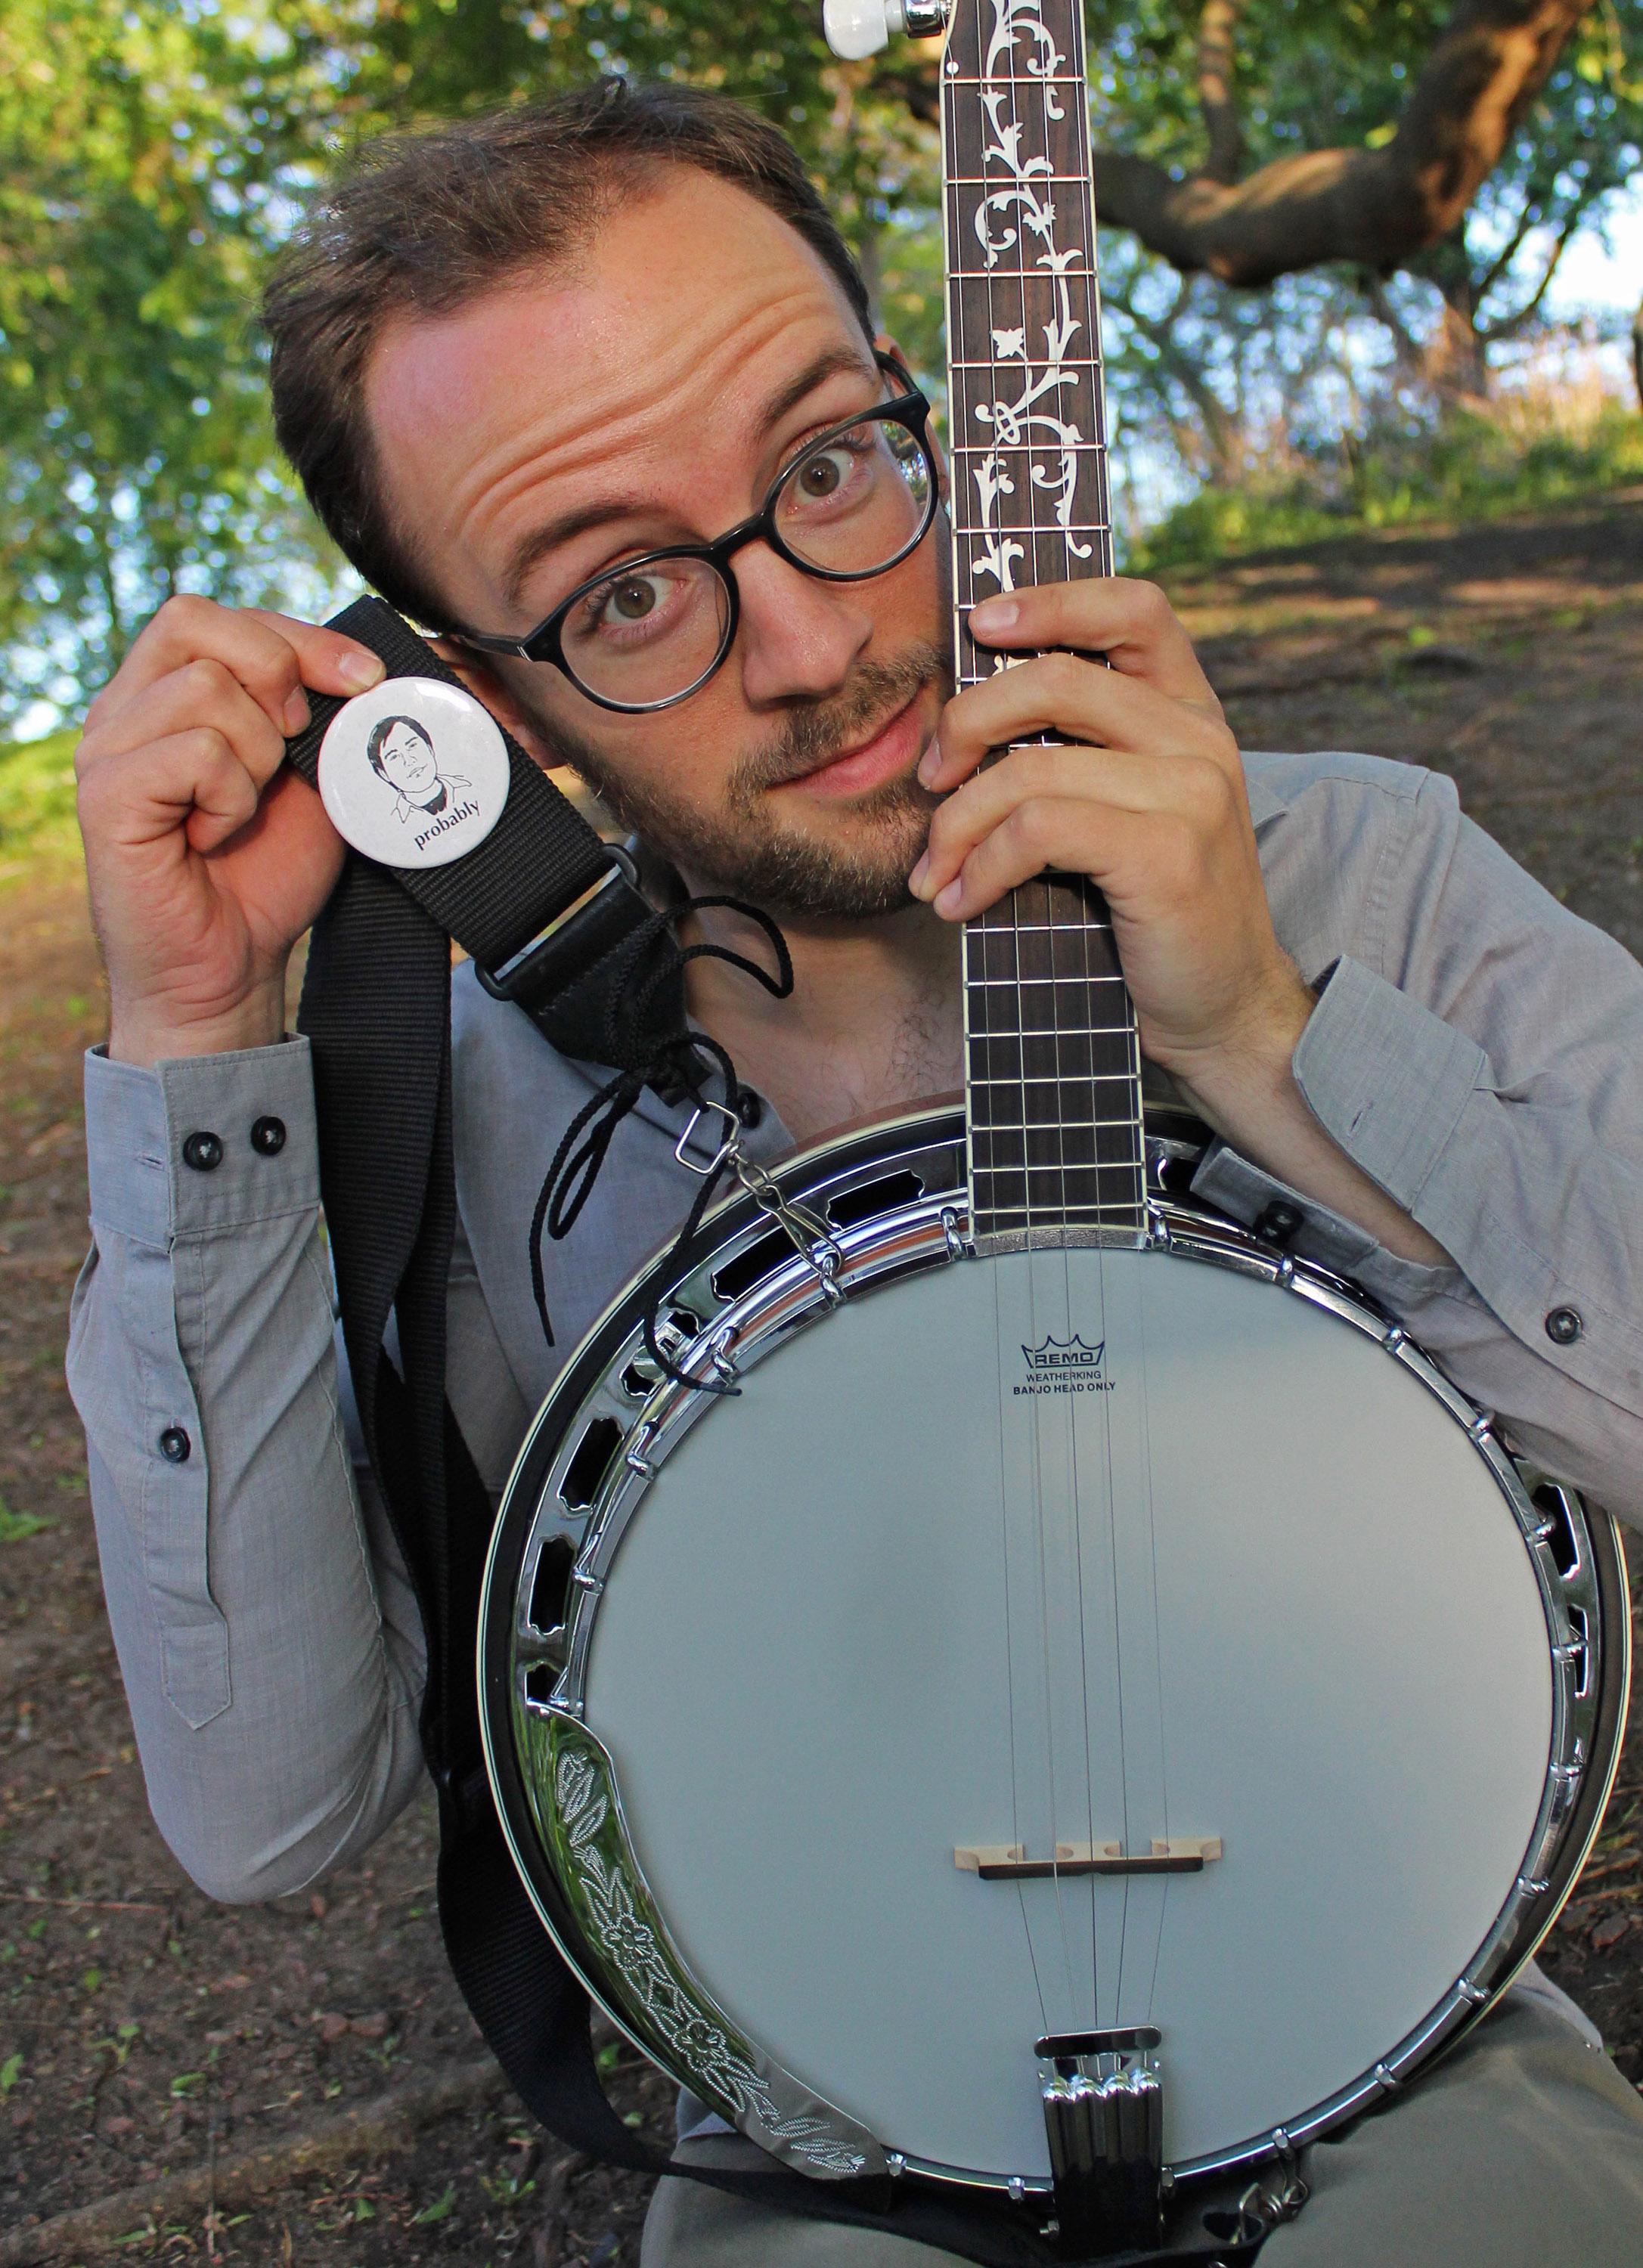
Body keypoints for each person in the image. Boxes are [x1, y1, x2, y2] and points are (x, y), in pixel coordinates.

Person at [66, 82, 1643, 2266]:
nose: (814, 644)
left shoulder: (1353, 863)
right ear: (471, 699)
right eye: (622, 593)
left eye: (827, 464)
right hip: (817, 2151)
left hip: (1412, 2052)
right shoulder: (460, 1108)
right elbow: (267, 1818)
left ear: (944, 419)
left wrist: (1265, 1043)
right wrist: (196, 1059)